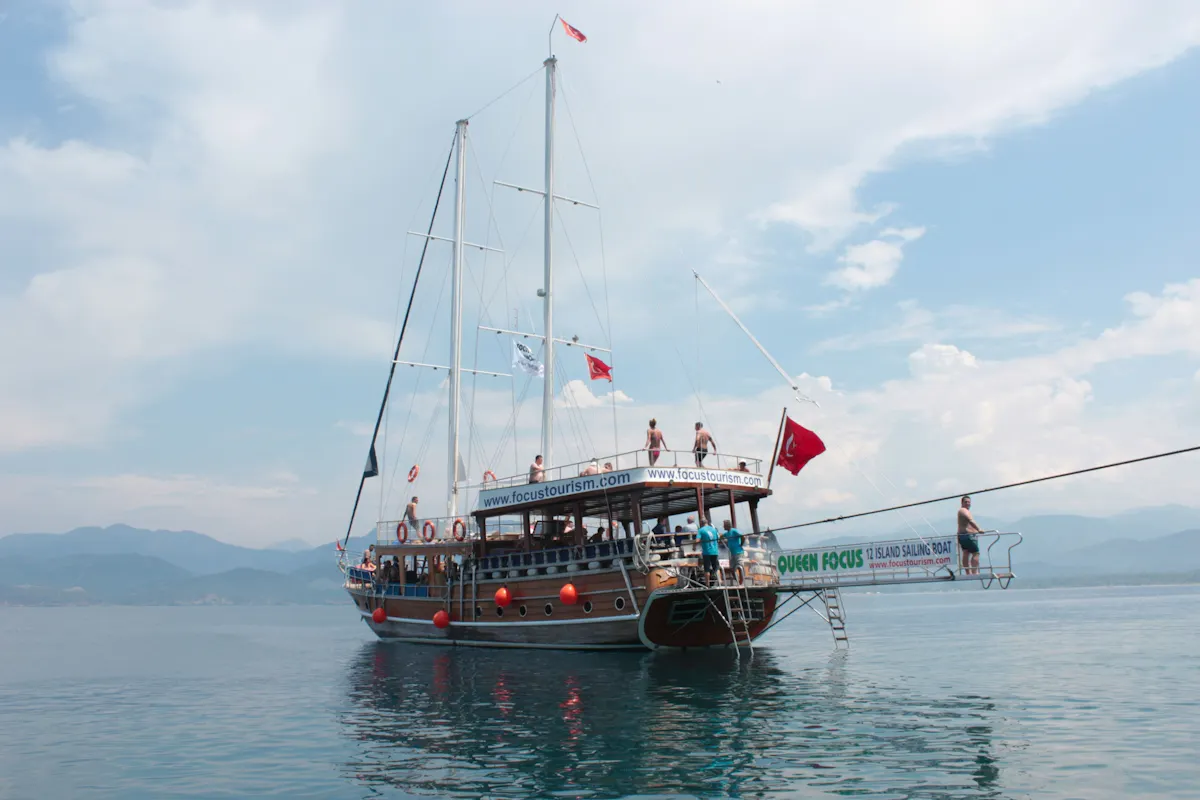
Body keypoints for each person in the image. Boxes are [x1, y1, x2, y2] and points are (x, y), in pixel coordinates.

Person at [957, 495, 983, 575]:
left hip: (963, 536)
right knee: (976, 553)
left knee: (966, 552)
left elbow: (967, 523)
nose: (968, 503)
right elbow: (970, 520)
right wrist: (979, 529)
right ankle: (974, 572)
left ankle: (968, 572)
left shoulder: (963, 511)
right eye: (966, 502)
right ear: (962, 503)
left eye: (969, 502)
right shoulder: (963, 510)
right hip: (967, 536)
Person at [696, 517, 721, 586]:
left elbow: (697, 540)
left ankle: (707, 584)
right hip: (715, 551)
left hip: (706, 552)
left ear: (701, 523)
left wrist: (694, 546)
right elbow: (718, 539)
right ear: (707, 522)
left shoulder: (700, 530)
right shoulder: (714, 529)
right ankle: (720, 581)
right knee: (716, 568)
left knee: (706, 569)